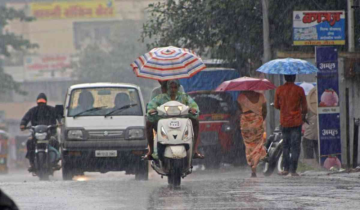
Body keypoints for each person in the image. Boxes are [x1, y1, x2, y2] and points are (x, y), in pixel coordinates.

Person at [144, 80, 204, 159]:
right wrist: (151, 110)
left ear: (178, 88)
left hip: (181, 120)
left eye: (175, 87)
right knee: (148, 123)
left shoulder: (184, 97)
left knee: (195, 121)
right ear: (168, 88)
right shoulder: (161, 97)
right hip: (162, 121)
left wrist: (194, 109)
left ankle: (194, 150)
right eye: (171, 87)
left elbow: (192, 104)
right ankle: (151, 151)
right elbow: (151, 105)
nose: (173, 89)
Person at [275, 75, 307, 177]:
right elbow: (305, 107)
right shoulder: (299, 90)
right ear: (294, 78)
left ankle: (285, 168)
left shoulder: (279, 89)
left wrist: (284, 107)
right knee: (295, 147)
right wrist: (302, 113)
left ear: (285, 78)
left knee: (286, 146)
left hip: (284, 122)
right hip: (296, 122)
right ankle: (293, 170)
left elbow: (276, 105)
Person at [20, 93, 60, 172]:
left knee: (55, 142)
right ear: (37, 102)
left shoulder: (52, 110)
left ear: (46, 102)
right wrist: (23, 124)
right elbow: (25, 118)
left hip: (50, 134)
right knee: (29, 142)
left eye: (42, 102)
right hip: (36, 135)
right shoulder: (33, 111)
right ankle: (32, 163)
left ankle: (55, 162)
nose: (41, 104)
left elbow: (58, 116)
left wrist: (60, 121)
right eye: (39, 102)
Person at [237, 90, 267, 178]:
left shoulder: (240, 97)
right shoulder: (261, 96)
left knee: (249, 145)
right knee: (258, 144)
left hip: (245, 122)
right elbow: (265, 110)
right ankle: (255, 163)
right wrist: (260, 119)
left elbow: (240, 110)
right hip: (257, 121)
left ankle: (251, 164)